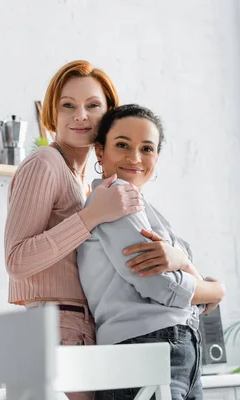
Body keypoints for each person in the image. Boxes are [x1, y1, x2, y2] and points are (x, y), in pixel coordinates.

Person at [4, 61, 192, 400]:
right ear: (52, 112)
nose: (80, 116)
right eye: (68, 105)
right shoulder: (44, 163)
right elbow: (17, 260)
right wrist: (90, 217)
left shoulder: (77, 179)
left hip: (78, 324)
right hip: (59, 324)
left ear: (107, 113)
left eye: (92, 106)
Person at [77, 104, 226, 400]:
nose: (135, 158)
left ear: (157, 157)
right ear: (99, 151)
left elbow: (177, 280)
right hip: (149, 346)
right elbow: (160, 284)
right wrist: (216, 290)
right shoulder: (116, 198)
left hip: (167, 347)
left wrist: (182, 261)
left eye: (147, 148)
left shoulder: (141, 207)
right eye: (122, 145)